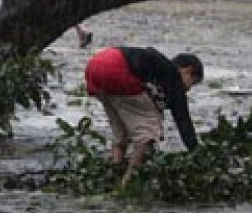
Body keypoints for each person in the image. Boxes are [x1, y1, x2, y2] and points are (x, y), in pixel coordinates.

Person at [83, 46, 203, 186]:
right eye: (192, 83)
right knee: (149, 133)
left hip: (96, 66)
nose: (187, 90)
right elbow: (183, 121)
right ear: (187, 71)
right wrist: (197, 154)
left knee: (122, 130)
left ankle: (115, 171)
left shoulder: (157, 67)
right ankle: (127, 184)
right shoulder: (173, 76)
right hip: (117, 69)